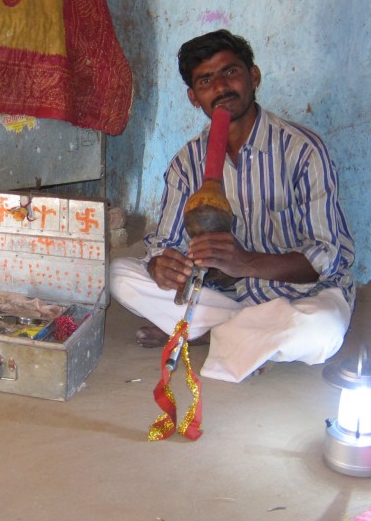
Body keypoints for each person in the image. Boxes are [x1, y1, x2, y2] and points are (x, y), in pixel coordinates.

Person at [110, 30, 356, 383]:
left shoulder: (302, 150)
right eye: (206, 81)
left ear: (253, 77)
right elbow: (164, 244)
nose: (221, 88)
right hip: (226, 294)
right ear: (194, 98)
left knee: (323, 331)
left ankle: (203, 333)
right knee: (121, 275)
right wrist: (162, 265)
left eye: (230, 72)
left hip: (300, 296)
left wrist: (246, 262)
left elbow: (327, 258)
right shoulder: (187, 162)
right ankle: (241, 334)